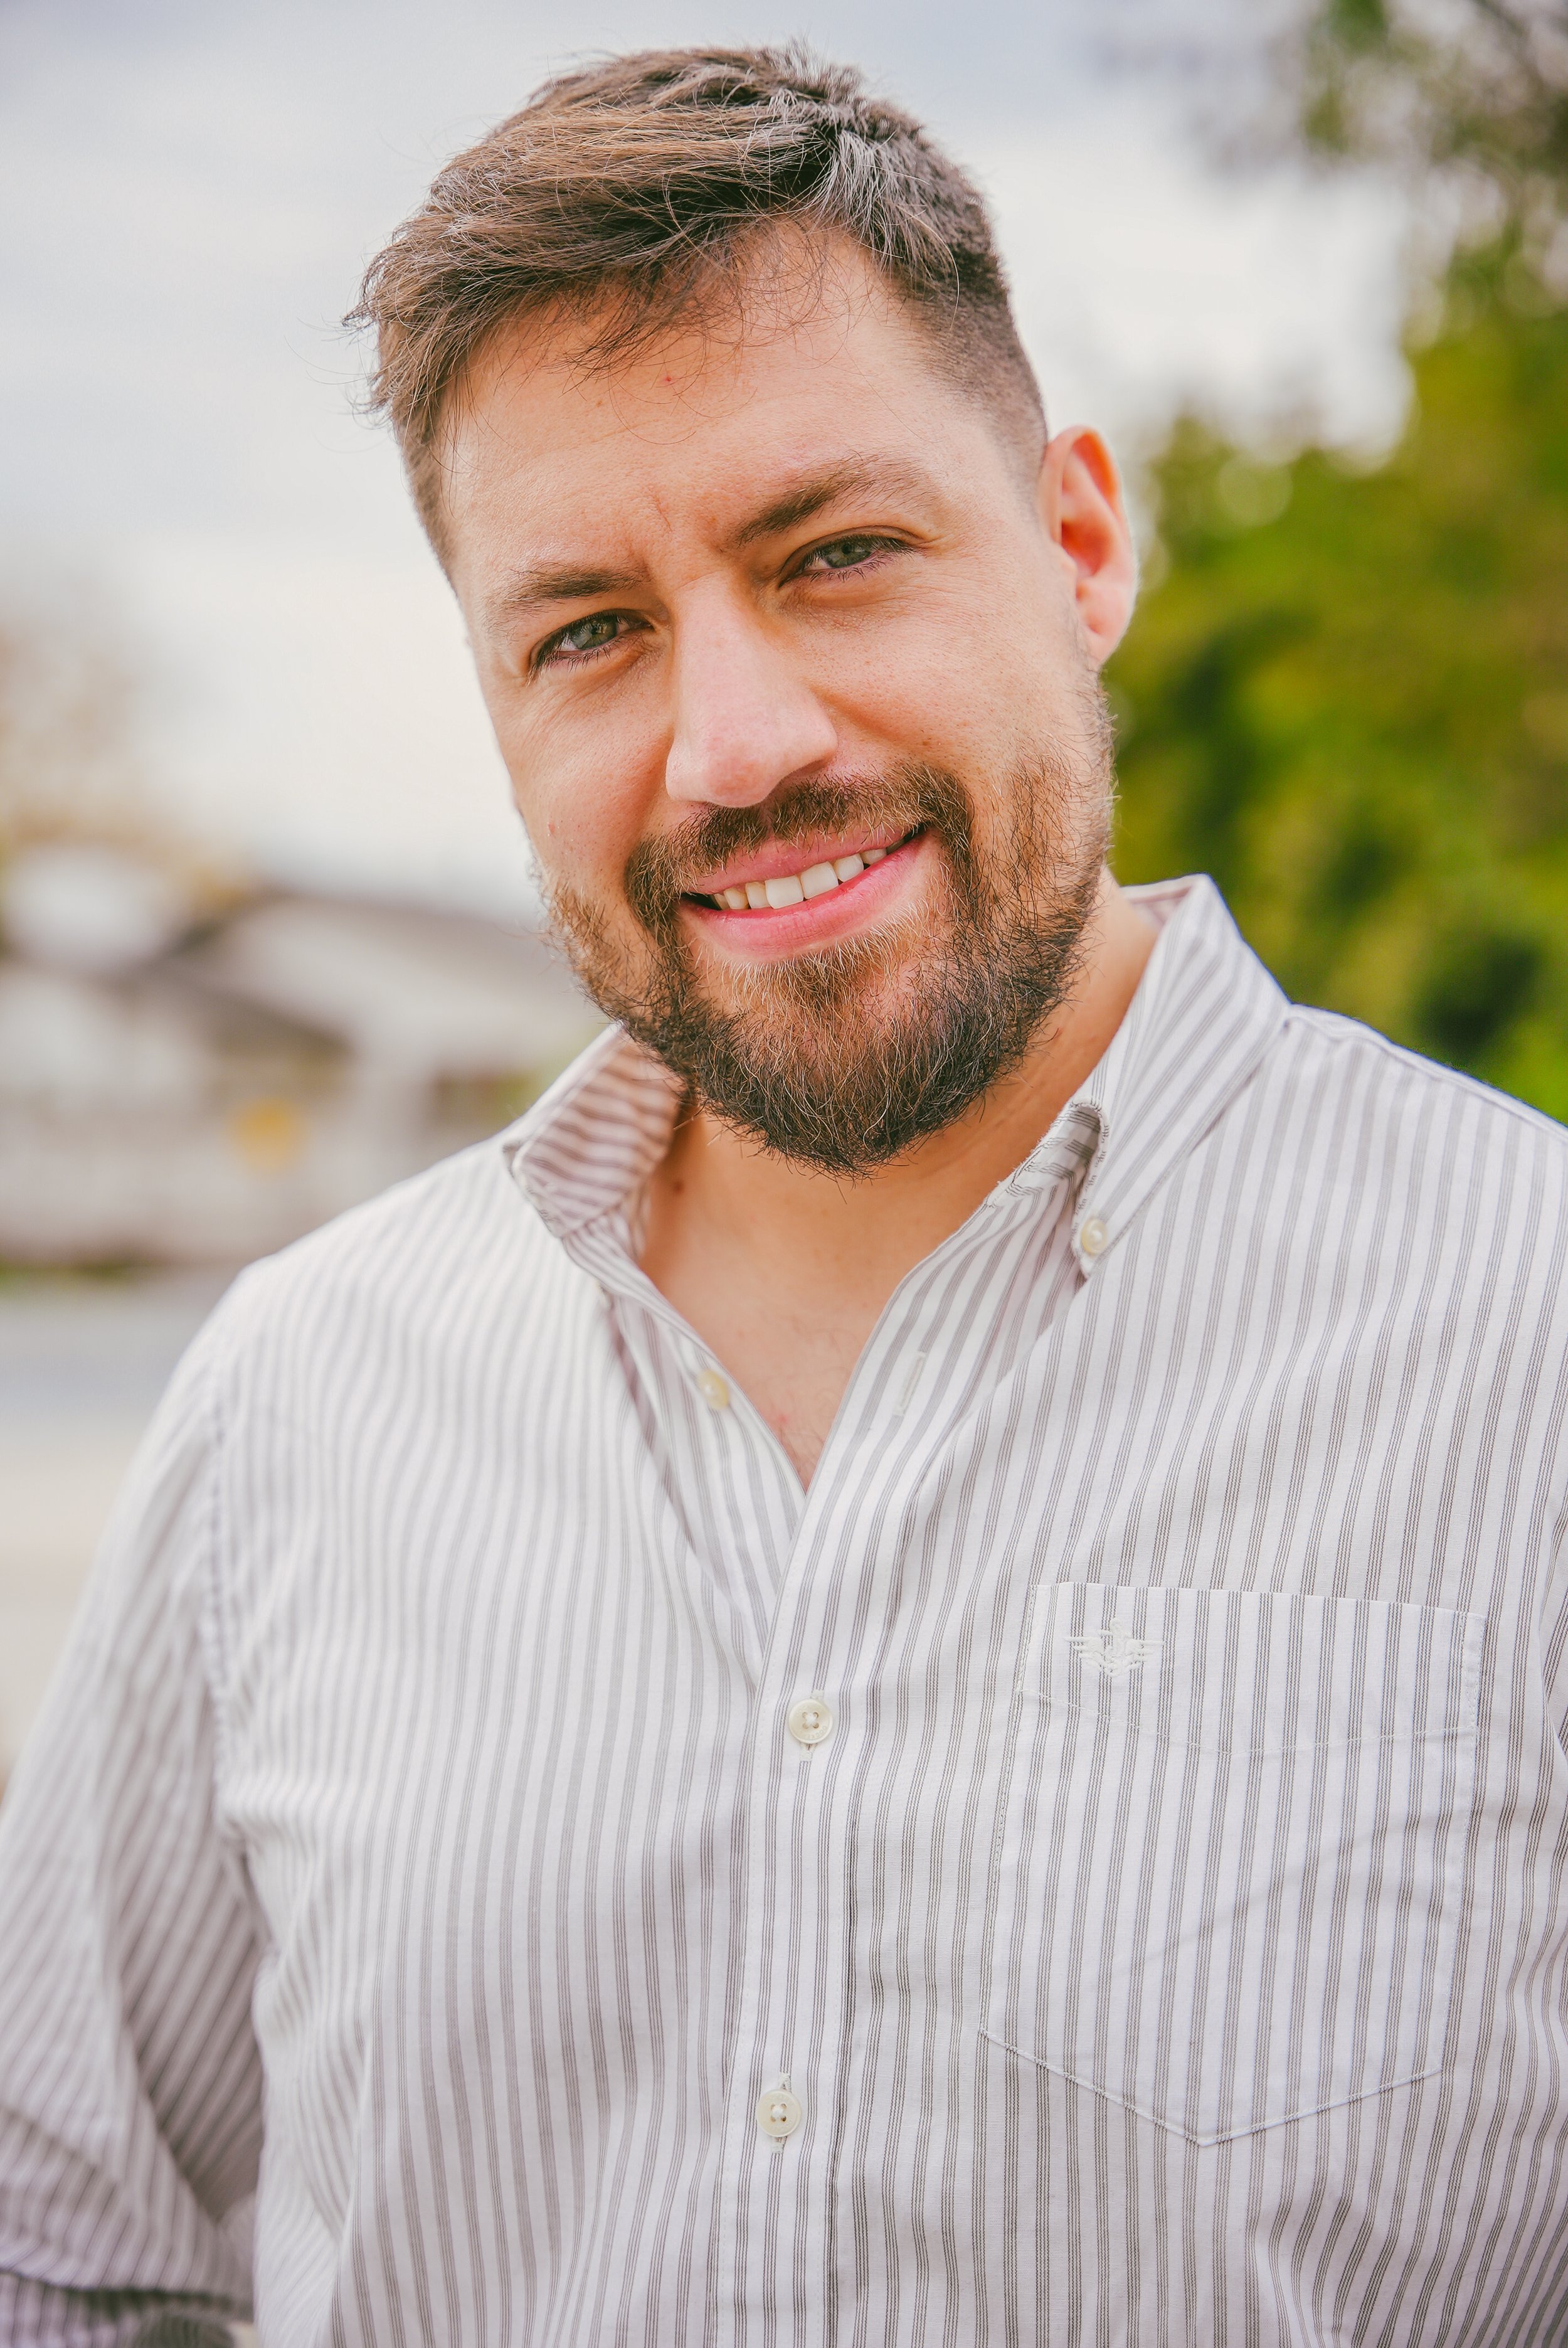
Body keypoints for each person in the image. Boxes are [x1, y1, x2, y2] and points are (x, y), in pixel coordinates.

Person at [2, 44, 1566, 2348]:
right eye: (588, 633)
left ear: (1077, 538)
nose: (736, 749)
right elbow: (61, 2250)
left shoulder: (1526, 1341)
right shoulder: (294, 1406)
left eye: (833, 554)